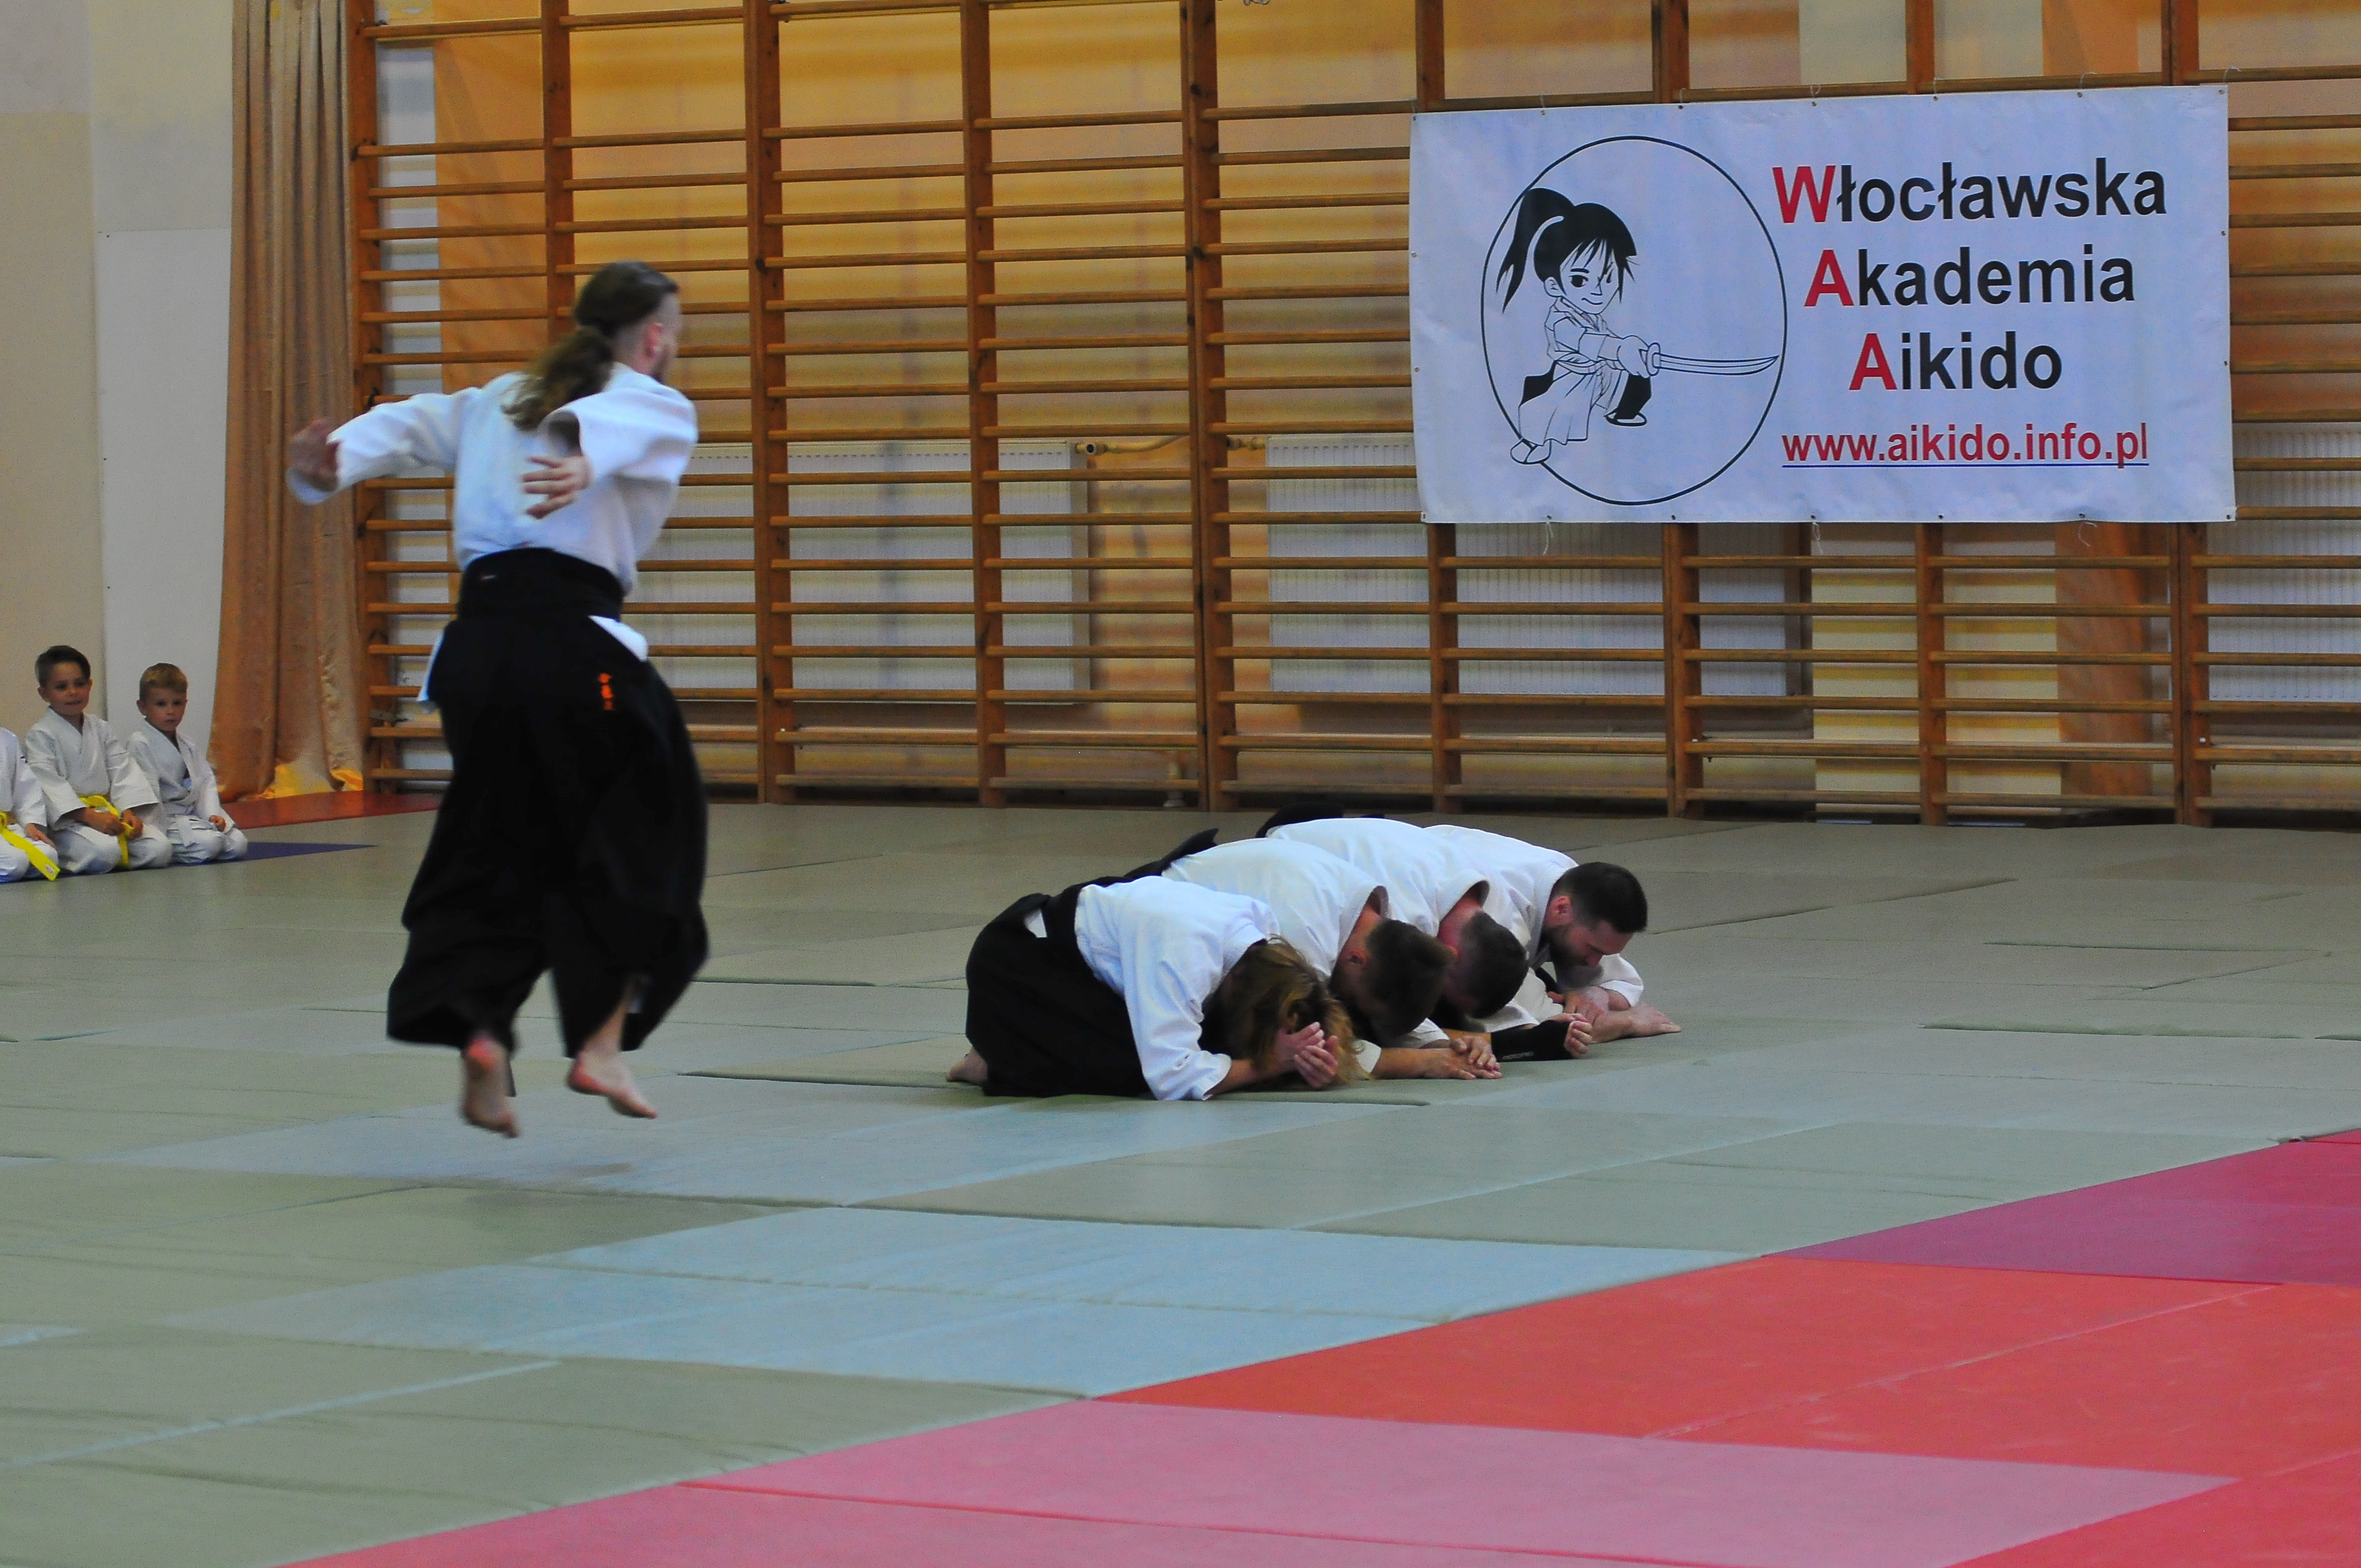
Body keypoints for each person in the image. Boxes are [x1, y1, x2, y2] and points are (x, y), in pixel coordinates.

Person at [286, 259, 703, 1138]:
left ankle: (478, 1034)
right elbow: (619, 418)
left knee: (497, 844)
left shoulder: (500, 399)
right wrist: (583, 459)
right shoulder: (654, 401)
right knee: (647, 836)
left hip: (475, 657)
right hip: (571, 652)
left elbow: (404, 425)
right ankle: (600, 1045)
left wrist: (331, 463)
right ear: (656, 337)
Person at [951, 873, 1357, 1099]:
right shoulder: (1186, 957)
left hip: (1082, 969)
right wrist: (1268, 1064)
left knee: (1210, 1046)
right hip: (1017, 966)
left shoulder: (1260, 936)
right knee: (1131, 1071)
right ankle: (990, 1061)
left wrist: (1310, 1065)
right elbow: (1172, 1077)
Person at [1160, 836, 1481, 1081]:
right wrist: (1419, 1063)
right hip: (1165, 931)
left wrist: (1445, 1047)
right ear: (1356, 960)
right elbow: (1315, 1046)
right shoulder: (1304, 936)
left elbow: (1398, 997)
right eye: (1356, 999)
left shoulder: (1376, 927)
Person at [1264, 814, 1536, 1052]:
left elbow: (1508, 982)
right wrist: (1449, 1050)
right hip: (1285, 854)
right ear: (1449, 956)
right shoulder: (1409, 918)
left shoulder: (1494, 903)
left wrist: (1530, 1029)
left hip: (1306, 845)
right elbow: (1393, 1024)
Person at [1424, 823, 1679, 1046]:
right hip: (1414, 929)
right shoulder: (1501, 914)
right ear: (1561, 909)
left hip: (1443, 853)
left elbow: (1620, 984)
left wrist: (1598, 994)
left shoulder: (1573, 885)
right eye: (1593, 949)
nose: (1595, 963)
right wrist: (1624, 1023)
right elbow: (1526, 1023)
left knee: (1555, 982)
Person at [1495, 190, 1655, 462]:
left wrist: (1630, 354)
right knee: (1547, 416)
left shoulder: (1593, 316)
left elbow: (1606, 339)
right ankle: (1534, 443)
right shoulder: (1561, 320)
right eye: (1580, 280)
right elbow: (1589, 342)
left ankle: (1623, 411)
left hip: (1600, 371)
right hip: (1572, 377)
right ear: (1554, 286)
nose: (1598, 291)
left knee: (1636, 377)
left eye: (1608, 278)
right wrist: (1619, 350)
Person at [24, 645, 172, 876]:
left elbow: (122, 769)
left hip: (108, 814)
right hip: (68, 822)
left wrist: (128, 811)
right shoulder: (41, 735)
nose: (73, 692)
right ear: (44, 693)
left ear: (90, 685)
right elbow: (48, 785)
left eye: (80, 684)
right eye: (61, 687)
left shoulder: (101, 728)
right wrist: (89, 816)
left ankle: (106, 853)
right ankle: (67, 852)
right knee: (105, 852)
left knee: (160, 849)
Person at [127, 664, 248, 865]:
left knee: (239, 845)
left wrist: (212, 816)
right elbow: (147, 795)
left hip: (194, 815)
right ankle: (168, 848)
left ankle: (199, 837)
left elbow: (206, 783)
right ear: (143, 707)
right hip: (166, 820)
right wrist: (157, 832)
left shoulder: (188, 744)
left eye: (177, 703)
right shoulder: (139, 743)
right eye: (161, 704)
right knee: (211, 844)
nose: (171, 711)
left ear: (185, 703)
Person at [0, 726, 59, 883]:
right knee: (15, 863)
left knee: (48, 856)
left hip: (4, 827)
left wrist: (30, 823)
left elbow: (24, 787)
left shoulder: (7, 738)